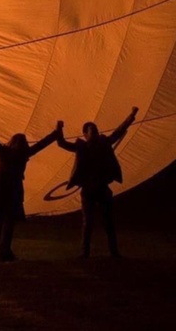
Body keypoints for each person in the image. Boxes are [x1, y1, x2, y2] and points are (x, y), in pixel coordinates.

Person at [0, 117, 62, 262]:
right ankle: (4, 252)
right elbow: (41, 144)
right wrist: (56, 133)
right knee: (7, 222)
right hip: (11, 191)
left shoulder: (4, 151)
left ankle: (3, 252)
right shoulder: (23, 154)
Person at [56, 107, 139, 258]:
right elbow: (61, 143)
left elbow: (119, 131)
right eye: (91, 130)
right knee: (88, 223)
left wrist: (132, 116)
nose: (94, 132)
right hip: (88, 190)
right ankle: (85, 252)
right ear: (85, 134)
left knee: (108, 222)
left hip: (102, 188)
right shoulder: (81, 147)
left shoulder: (104, 143)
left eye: (95, 129)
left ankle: (113, 252)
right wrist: (59, 128)